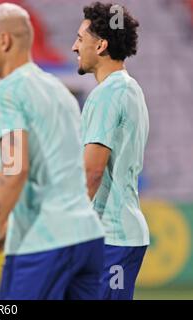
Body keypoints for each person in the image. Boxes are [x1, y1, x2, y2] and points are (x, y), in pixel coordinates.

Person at [0, 3, 104, 300]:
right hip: (88, 237)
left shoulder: (3, 93)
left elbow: (15, 169)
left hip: (42, 243)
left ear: (3, 41)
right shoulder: (60, 91)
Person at [72, 2, 149, 300]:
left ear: (101, 45)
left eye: (80, 38)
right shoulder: (130, 89)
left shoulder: (106, 95)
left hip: (111, 236)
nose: (74, 47)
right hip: (120, 234)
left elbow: (92, 172)